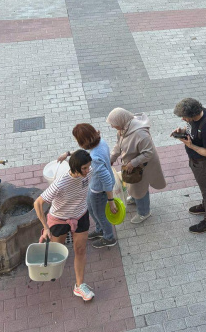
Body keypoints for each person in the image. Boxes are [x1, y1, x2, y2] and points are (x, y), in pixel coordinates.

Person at [33, 149, 95, 301]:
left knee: (80, 250)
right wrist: (46, 227)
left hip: (80, 215)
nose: (88, 171)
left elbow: (82, 155)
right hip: (59, 219)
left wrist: (68, 153)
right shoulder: (61, 183)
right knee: (57, 252)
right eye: (84, 168)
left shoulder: (88, 171)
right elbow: (38, 203)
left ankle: (79, 286)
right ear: (74, 168)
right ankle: (46, 242)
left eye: (88, 167)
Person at [57, 124, 118, 248]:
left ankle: (109, 237)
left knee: (100, 214)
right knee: (91, 208)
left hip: (100, 190)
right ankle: (99, 229)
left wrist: (111, 201)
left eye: (77, 139)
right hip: (95, 186)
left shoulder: (94, 158)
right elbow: (85, 153)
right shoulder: (100, 142)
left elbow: (106, 179)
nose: (76, 141)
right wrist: (68, 153)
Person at [106, 108, 166, 225]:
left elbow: (148, 153)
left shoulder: (141, 134)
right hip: (132, 165)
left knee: (140, 188)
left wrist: (133, 163)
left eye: (114, 124)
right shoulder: (125, 127)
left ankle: (144, 212)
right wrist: (112, 158)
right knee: (133, 185)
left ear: (121, 120)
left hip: (142, 167)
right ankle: (134, 198)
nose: (113, 127)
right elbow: (119, 144)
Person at [173, 98, 206, 233]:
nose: (182, 119)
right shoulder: (198, 116)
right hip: (195, 161)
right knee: (205, 188)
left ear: (192, 115)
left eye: (184, 117)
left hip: (202, 163)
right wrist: (182, 131)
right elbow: (193, 131)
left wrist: (190, 145)